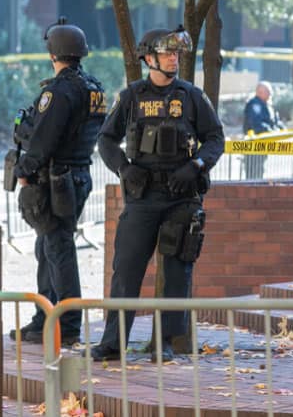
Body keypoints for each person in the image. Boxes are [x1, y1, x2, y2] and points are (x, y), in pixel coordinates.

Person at [89, 26, 224, 362]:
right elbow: (105, 140)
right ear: (149, 58)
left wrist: (195, 166)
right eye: (167, 53)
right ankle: (112, 342)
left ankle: (164, 342)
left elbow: (215, 138)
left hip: (182, 196)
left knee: (177, 274)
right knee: (127, 269)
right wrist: (123, 167)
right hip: (143, 195)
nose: (174, 59)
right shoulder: (132, 97)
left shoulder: (192, 97)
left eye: (176, 54)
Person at [8, 17, 107, 346]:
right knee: (47, 246)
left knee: (58, 248)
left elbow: (44, 138)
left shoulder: (59, 91)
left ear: (53, 52)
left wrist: (24, 168)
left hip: (55, 179)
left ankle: (65, 324)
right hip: (75, 176)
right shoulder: (93, 88)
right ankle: (44, 317)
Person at [242, 81, 284, 179]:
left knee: (259, 173)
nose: (271, 94)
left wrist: (282, 130)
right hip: (253, 146)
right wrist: (273, 132)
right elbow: (257, 125)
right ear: (260, 92)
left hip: (262, 146)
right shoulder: (254, 105)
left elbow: (276, 122)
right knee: (253, 175)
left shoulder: (267, 105)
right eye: (268, 91)